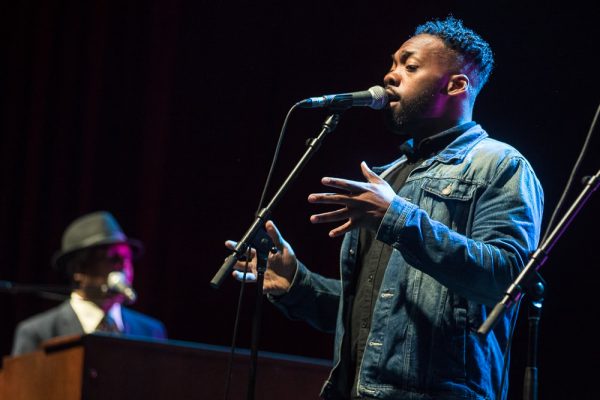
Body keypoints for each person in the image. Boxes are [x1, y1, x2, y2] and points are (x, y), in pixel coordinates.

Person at [226, 16, 544, 400]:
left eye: (410, 66)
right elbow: (374, 312)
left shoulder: (500, 165)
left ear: (456, 85)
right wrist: (296, 284)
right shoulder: (389, 175)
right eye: (393, 64)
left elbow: (508, 279)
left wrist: (397, 218)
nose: (391, 75)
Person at [11, 211, 167, 356]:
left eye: (127, 258)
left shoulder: (151, 332)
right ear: (79, 270)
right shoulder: (38, 333)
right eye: (113, 258)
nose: (124, 267)